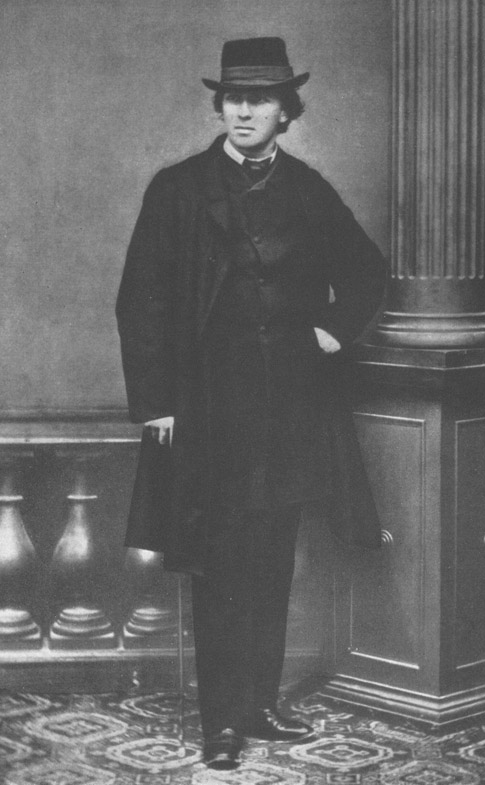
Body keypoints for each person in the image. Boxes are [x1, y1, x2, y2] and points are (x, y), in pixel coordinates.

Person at [116, 36, 387, 770]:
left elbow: (366, 272)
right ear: (221, 108)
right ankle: (221, 722)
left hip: (290, 411)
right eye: (234, 98)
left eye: (260, 99)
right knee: (217, 565)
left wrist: (332, 330)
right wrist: (157, 403)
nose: (243, 110)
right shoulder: (177, 189)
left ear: (285, 112)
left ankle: (261, 706)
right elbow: (140, 300)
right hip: (208, 411)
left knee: (272, 561)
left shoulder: (308, 189)